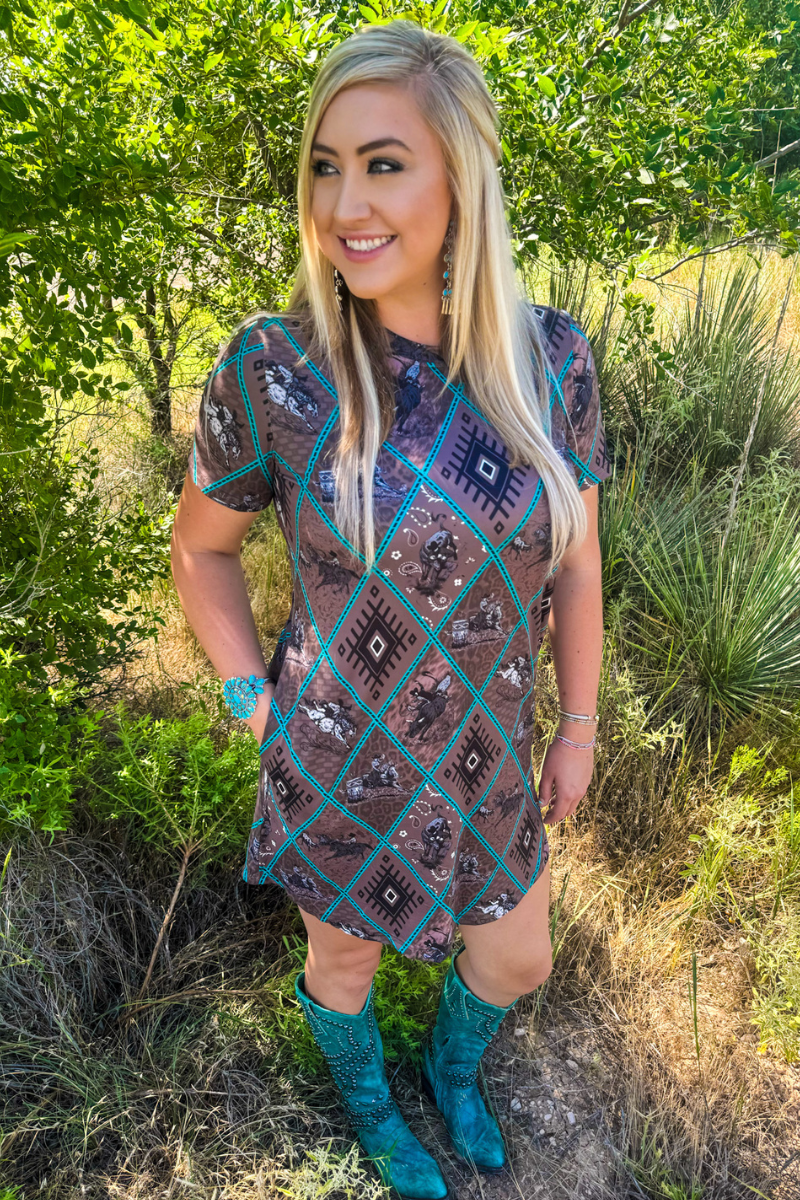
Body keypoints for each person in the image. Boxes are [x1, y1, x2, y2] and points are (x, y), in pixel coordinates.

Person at [170, 18, 612, 1200]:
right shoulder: (277, 369)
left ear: (458, 181)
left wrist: (575, 726)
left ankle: (449, 1068)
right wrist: (253, 699)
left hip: (486, 752)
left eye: (382, 163)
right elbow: (201, 550)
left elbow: (575, 565)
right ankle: (370, 1109)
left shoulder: (550, 362)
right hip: (338, 759)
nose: (343, 204)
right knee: (344, 961)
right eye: (324, 166)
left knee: (516, 958)